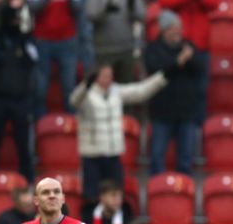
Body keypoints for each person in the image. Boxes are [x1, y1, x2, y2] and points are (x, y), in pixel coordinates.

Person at [71, 64, 166, 200]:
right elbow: (75, 100)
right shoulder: (87, 94)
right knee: (91, 197)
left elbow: (141, 91)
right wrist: (86, 84)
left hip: (113, 154)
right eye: (104, 76)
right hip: (92, 155)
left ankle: (115, 221)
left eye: (110, 76)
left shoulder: (116, 91)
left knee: (116, 195)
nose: (108, 79)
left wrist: (163, 76)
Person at [156, 0, 218, 125]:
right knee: (173, 89)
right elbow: (165, 3)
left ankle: (198, 127)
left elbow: (213, 3)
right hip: (175, 47)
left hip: (200, 46)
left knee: (200, 90)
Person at [0, 0, 36, 182]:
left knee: (23, 141)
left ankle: (27, 177)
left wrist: (22, 41)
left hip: (21, 98)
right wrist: (0, 51)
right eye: (13, 19)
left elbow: (34, 59)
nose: (15, 23)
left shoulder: (26, 38)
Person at [27, 0, 82, 120]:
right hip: (43, 39)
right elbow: (32, 8)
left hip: (67, 39)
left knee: (69, 87)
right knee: (40, 87)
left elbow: (78, 9)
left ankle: (71, 124)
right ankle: (40, 123)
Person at [145, 11, 203, 176]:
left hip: (186, 111)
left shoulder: (188, 47)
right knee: (157, 156)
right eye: (172, 28)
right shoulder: (153, 49)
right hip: (161, 112)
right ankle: (157, 189)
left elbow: (200, 69)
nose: (177, 32)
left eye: (179, 28)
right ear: (163, 30)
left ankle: (184, 192)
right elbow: (156, 69)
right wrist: (177, 62)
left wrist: (189, 59)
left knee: (186, 158)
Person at [85, 0, 146, 86]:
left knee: (127, 87)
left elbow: (142, 15)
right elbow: (90, 15)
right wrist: (105, 11)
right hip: (104, 51)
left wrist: (132, 6)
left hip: (126, 48)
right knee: (103, 85)